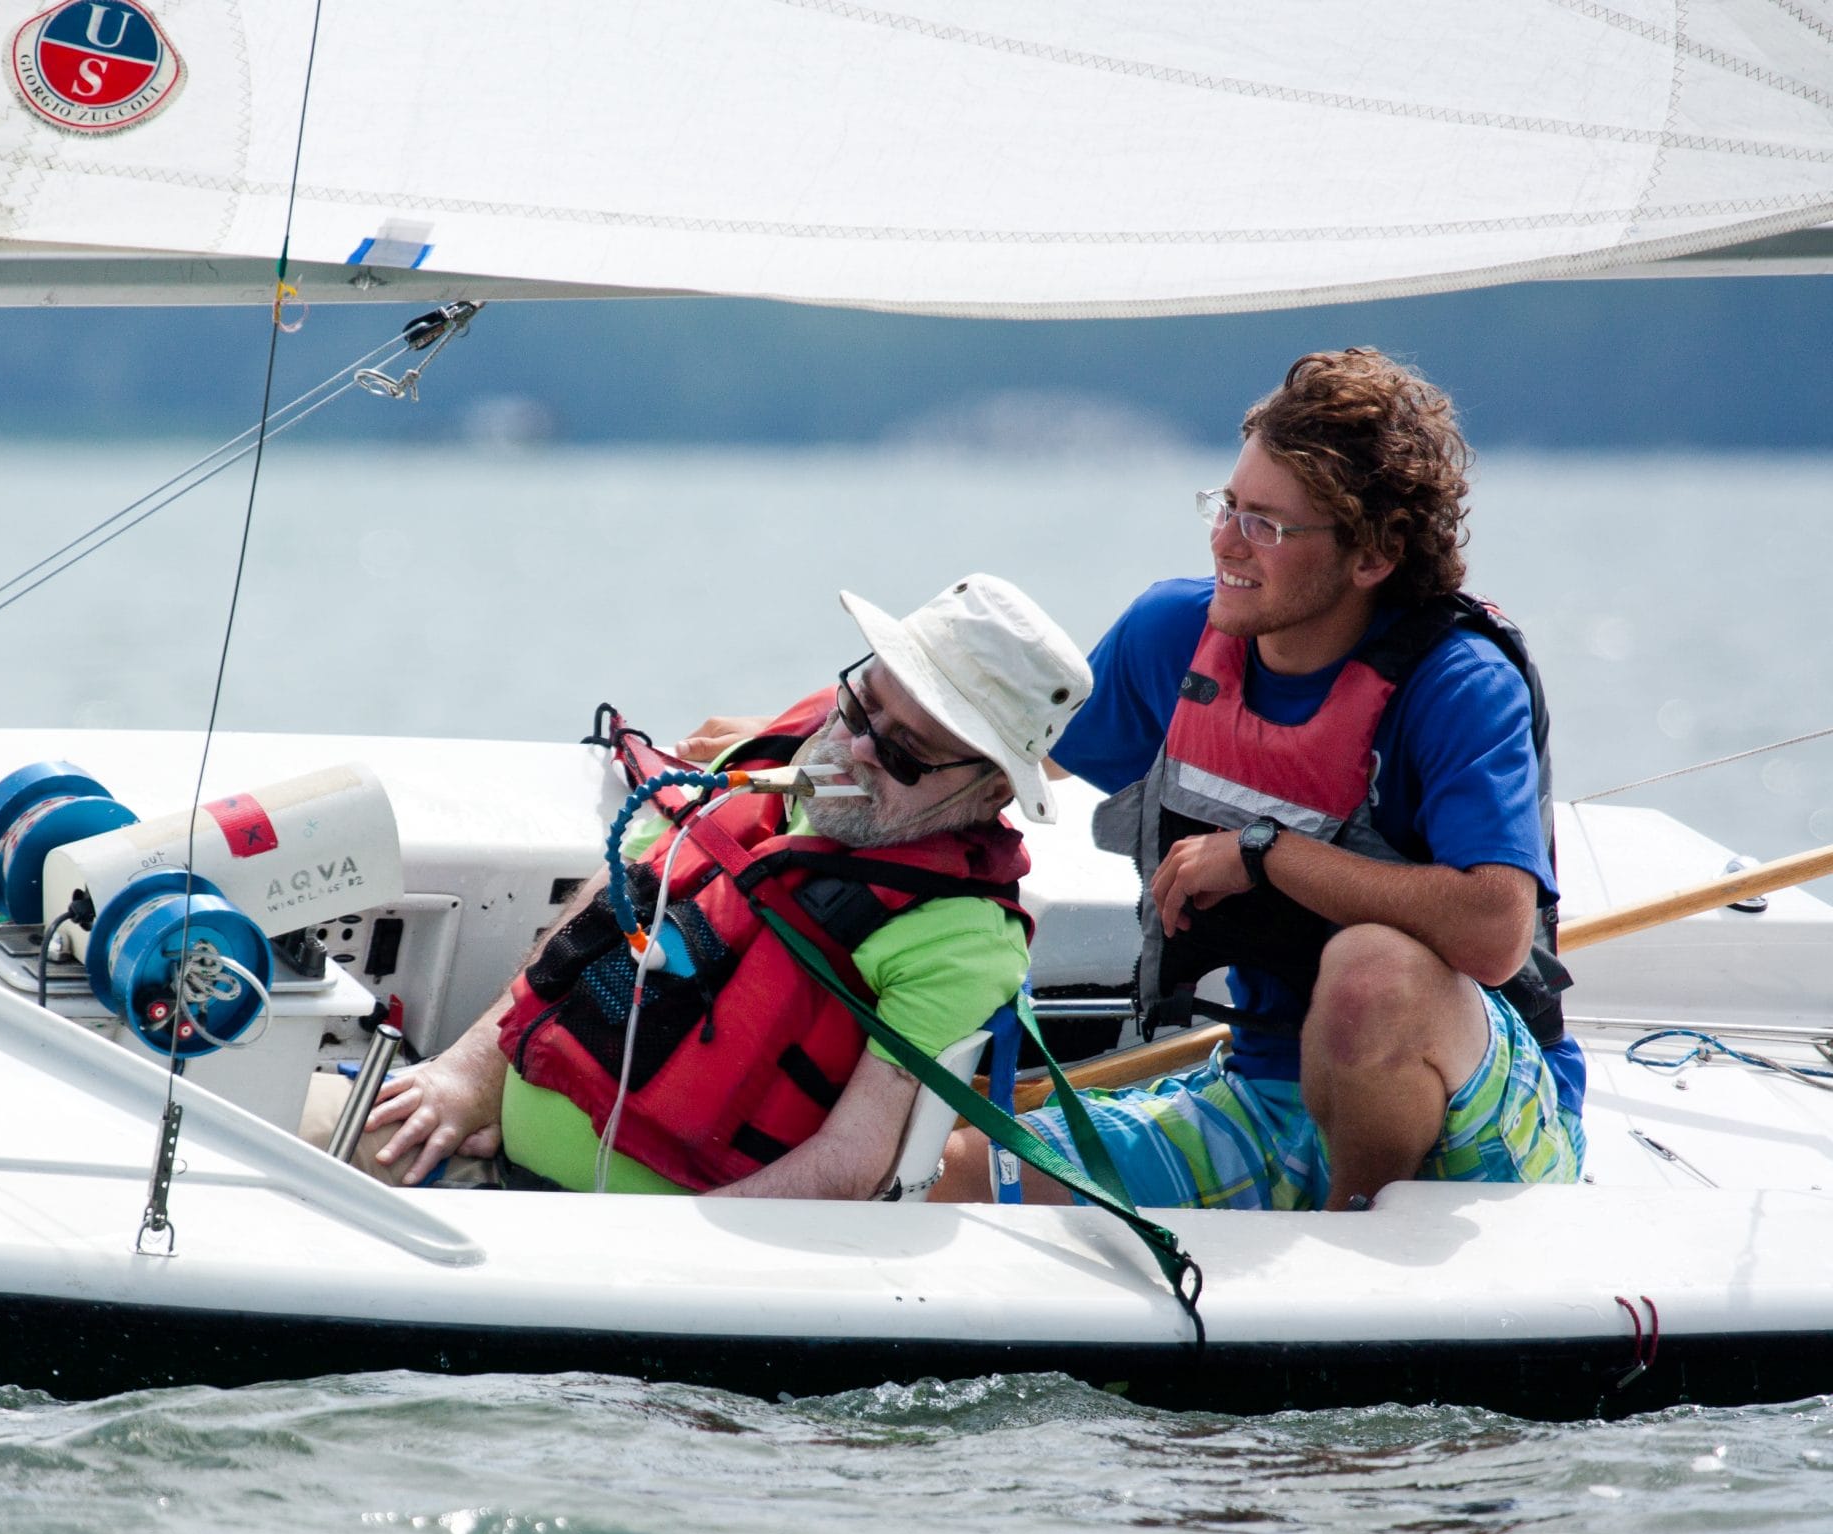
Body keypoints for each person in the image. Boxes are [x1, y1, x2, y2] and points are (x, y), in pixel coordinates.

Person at [933, 348, 1586, 1212]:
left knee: (1370, 973)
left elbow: (1497, 932)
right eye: (1227, 505)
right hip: (1265, 1097)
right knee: (959, 1178)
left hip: (1476, 1132)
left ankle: (1355, 1255)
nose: (1226, 542)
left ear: (1374, 555)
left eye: (1267, 526)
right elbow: (991, 750)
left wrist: (1265, 854)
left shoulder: (1457, 684)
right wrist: (793, 747)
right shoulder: (1172, 634)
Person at [359, 574, 1092, 1197]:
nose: (857, 748)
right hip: (487, 1151)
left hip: (631, 1257)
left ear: (991, 787)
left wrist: (655, 1260)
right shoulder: (776, 759)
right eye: (864, 703)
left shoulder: (960, 935)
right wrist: (464, 1074)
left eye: (906, 752)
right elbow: (609, 903)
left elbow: (854, 1161)